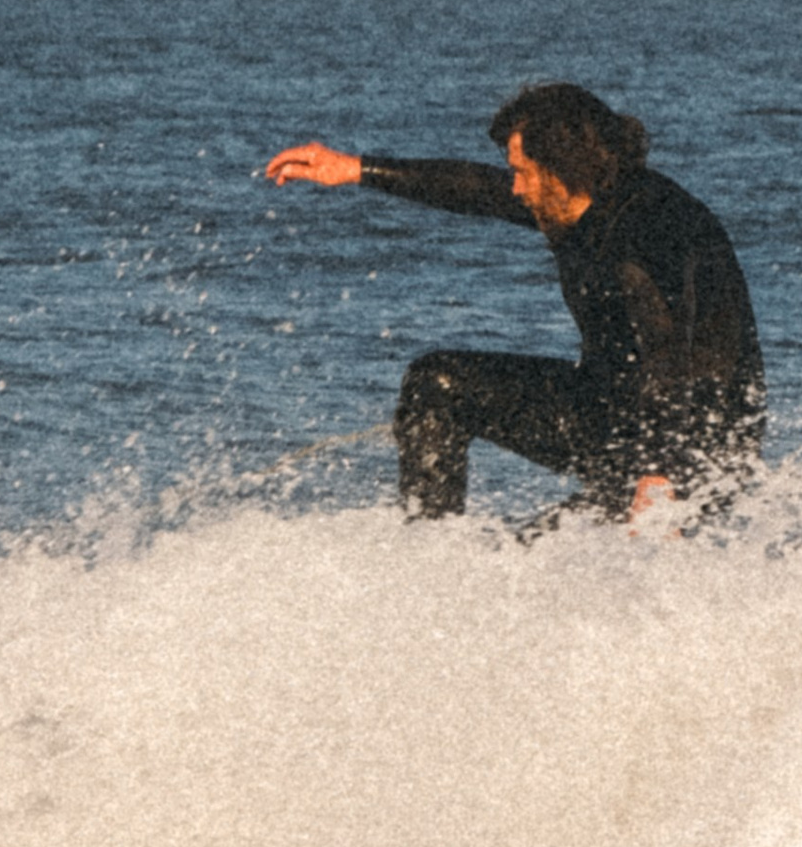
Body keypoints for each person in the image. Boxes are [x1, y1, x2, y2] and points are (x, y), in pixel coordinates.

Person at [265, 81, 765, 524]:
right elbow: (477, 189)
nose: (517, 188)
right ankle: (427, 552)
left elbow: (693, 352)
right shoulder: (575, 199)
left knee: (543, 559)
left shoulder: (657, 224)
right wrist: (355, 169)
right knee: (438, 384)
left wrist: (662, 472)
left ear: (563, 166)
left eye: (524, 172)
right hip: (608, 414)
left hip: (696, 444)